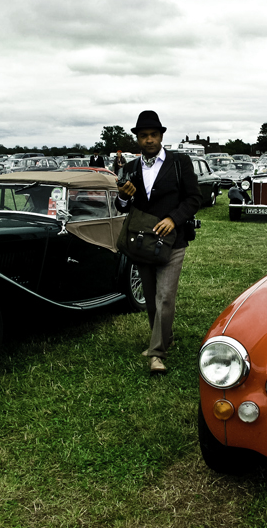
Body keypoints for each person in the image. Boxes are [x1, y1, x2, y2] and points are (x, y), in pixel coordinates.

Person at [116, 111, 202, 374]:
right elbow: (122, 207)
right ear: (137, 139)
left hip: (173, 241)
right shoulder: (130, 168)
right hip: (143, 243)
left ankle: (156, 353)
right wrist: (122, 196)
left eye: (154, 135)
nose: (149, 140)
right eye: (144, 136)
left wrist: (173, 220)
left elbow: (194, 199)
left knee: (165, 297)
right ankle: (165, 338)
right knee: (152, 298)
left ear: (162, 136)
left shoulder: (179, 163)